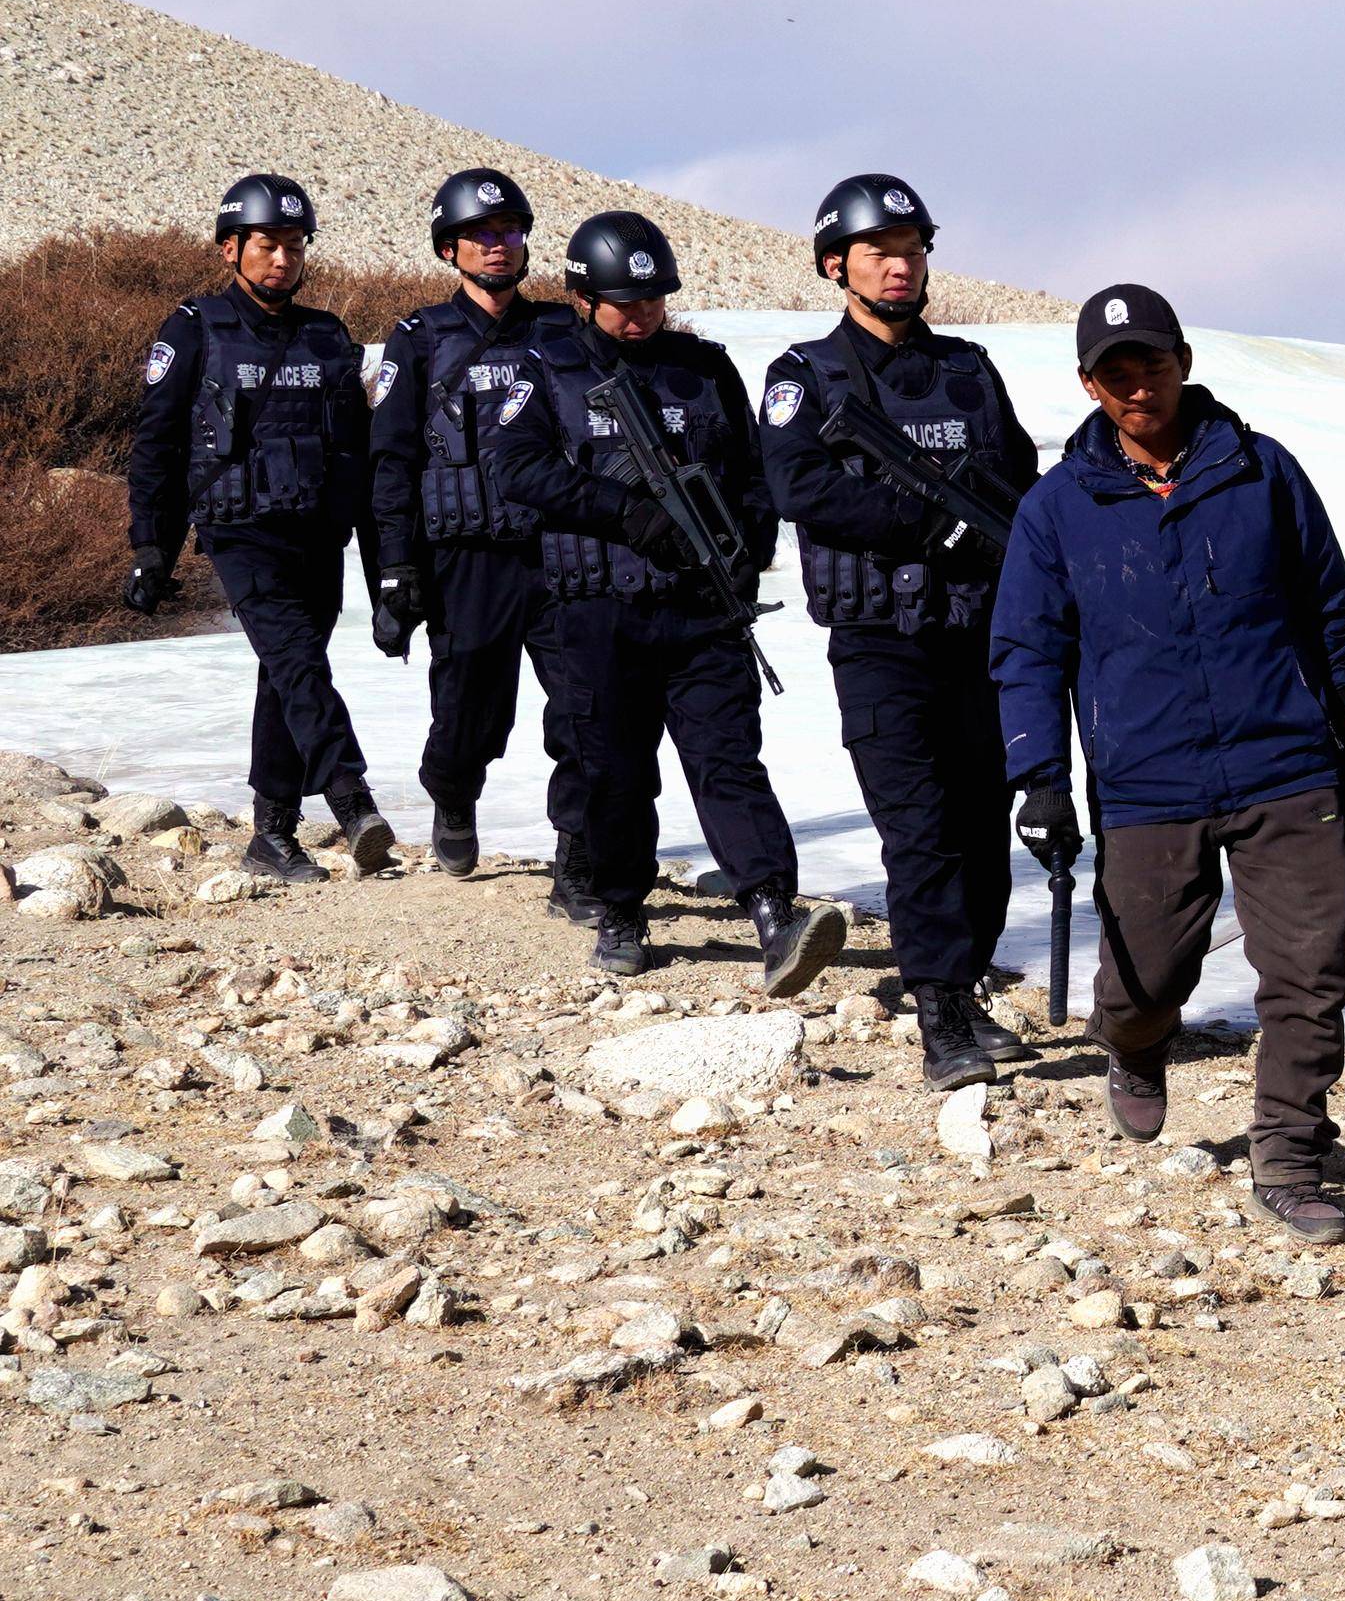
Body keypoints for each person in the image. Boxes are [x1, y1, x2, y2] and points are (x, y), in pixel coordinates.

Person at [995, 285, 1345, 1247]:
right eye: (1114, 373)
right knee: (1147, 977)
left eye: (1151, 365)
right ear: (1088, 384)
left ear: (1183, 361)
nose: (1137, 387)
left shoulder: (1262, 471)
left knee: (1308, 970)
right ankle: (1131, 1045)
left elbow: (1325, 612)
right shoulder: (1055, 510)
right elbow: (1029, 649)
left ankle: (1289, 1155)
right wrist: (1039, 775)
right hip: (1147, 778)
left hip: (1285, 764)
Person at [492, 213, 845, 990]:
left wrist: (748, 555)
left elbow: (754, 477)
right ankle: (621, 911)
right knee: (614, 771)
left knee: (728, 761)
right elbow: (514, 468)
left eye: (653, 298)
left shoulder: (704, 368)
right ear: (581, 295)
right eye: (624, 300)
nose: (642, 313)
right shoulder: (544, 368)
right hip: (594, 609)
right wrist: (624, 512)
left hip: (702, 610)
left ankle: (773, 912)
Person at [758, 174, 1041, 1087]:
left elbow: (1014, 474)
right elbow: (802, 489)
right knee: (917, 827)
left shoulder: (966, 368)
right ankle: (940, 1010)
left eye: (913, 250)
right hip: (882, 635)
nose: (900, 266)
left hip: (979, 631)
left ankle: (966, 981)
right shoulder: (805, 376)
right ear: (837, 264)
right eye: (881, 252)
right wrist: (924, 524)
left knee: (982, 821)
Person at [125, 172, 398, 882]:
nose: (284, 259)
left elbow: (359, 457)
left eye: (295, 246)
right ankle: (352, 798)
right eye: (269, 245)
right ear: (229, 250)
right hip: (239, 530)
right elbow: (155, 442)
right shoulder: (193, 327)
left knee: (287, 675)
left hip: (317, 532)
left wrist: (388, 574)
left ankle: (272, 837)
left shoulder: (326, 335)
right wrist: (150, 547)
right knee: (298, 662)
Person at [368, 167, 598, 903]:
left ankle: (579, 854)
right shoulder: (419, 338)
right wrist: (396, 570)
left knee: (585, 706)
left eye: (510, 233)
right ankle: (453, 793)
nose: (499, 247)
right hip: (465, 558)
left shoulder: (563, 331)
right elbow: (392, 459)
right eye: (481, 236)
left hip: (560, 553)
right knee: (472, 710)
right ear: (450, 250)